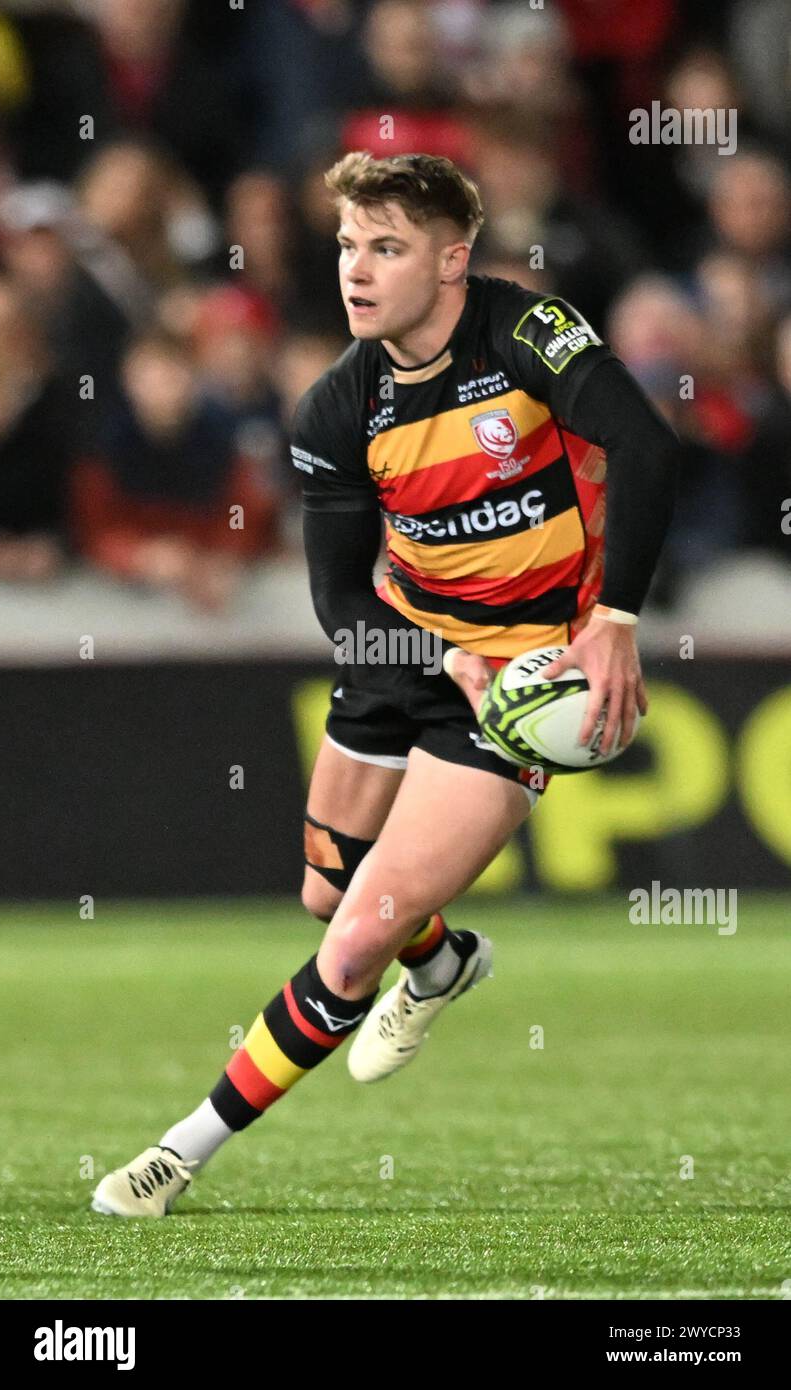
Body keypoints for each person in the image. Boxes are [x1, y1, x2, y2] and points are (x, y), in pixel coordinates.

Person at [92, 151, 678, 1218]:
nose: (355, 270)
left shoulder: (526, 334)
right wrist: (437, 656)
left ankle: (177, 1152)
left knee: (352, 937)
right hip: (406, 657)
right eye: (348, 246)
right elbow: (339, 604)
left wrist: (614, 622)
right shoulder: (334, 410)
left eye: (387, 247)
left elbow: (646, 443)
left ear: (454, 261)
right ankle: (446, 960)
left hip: (516, 682)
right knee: (326, 891)